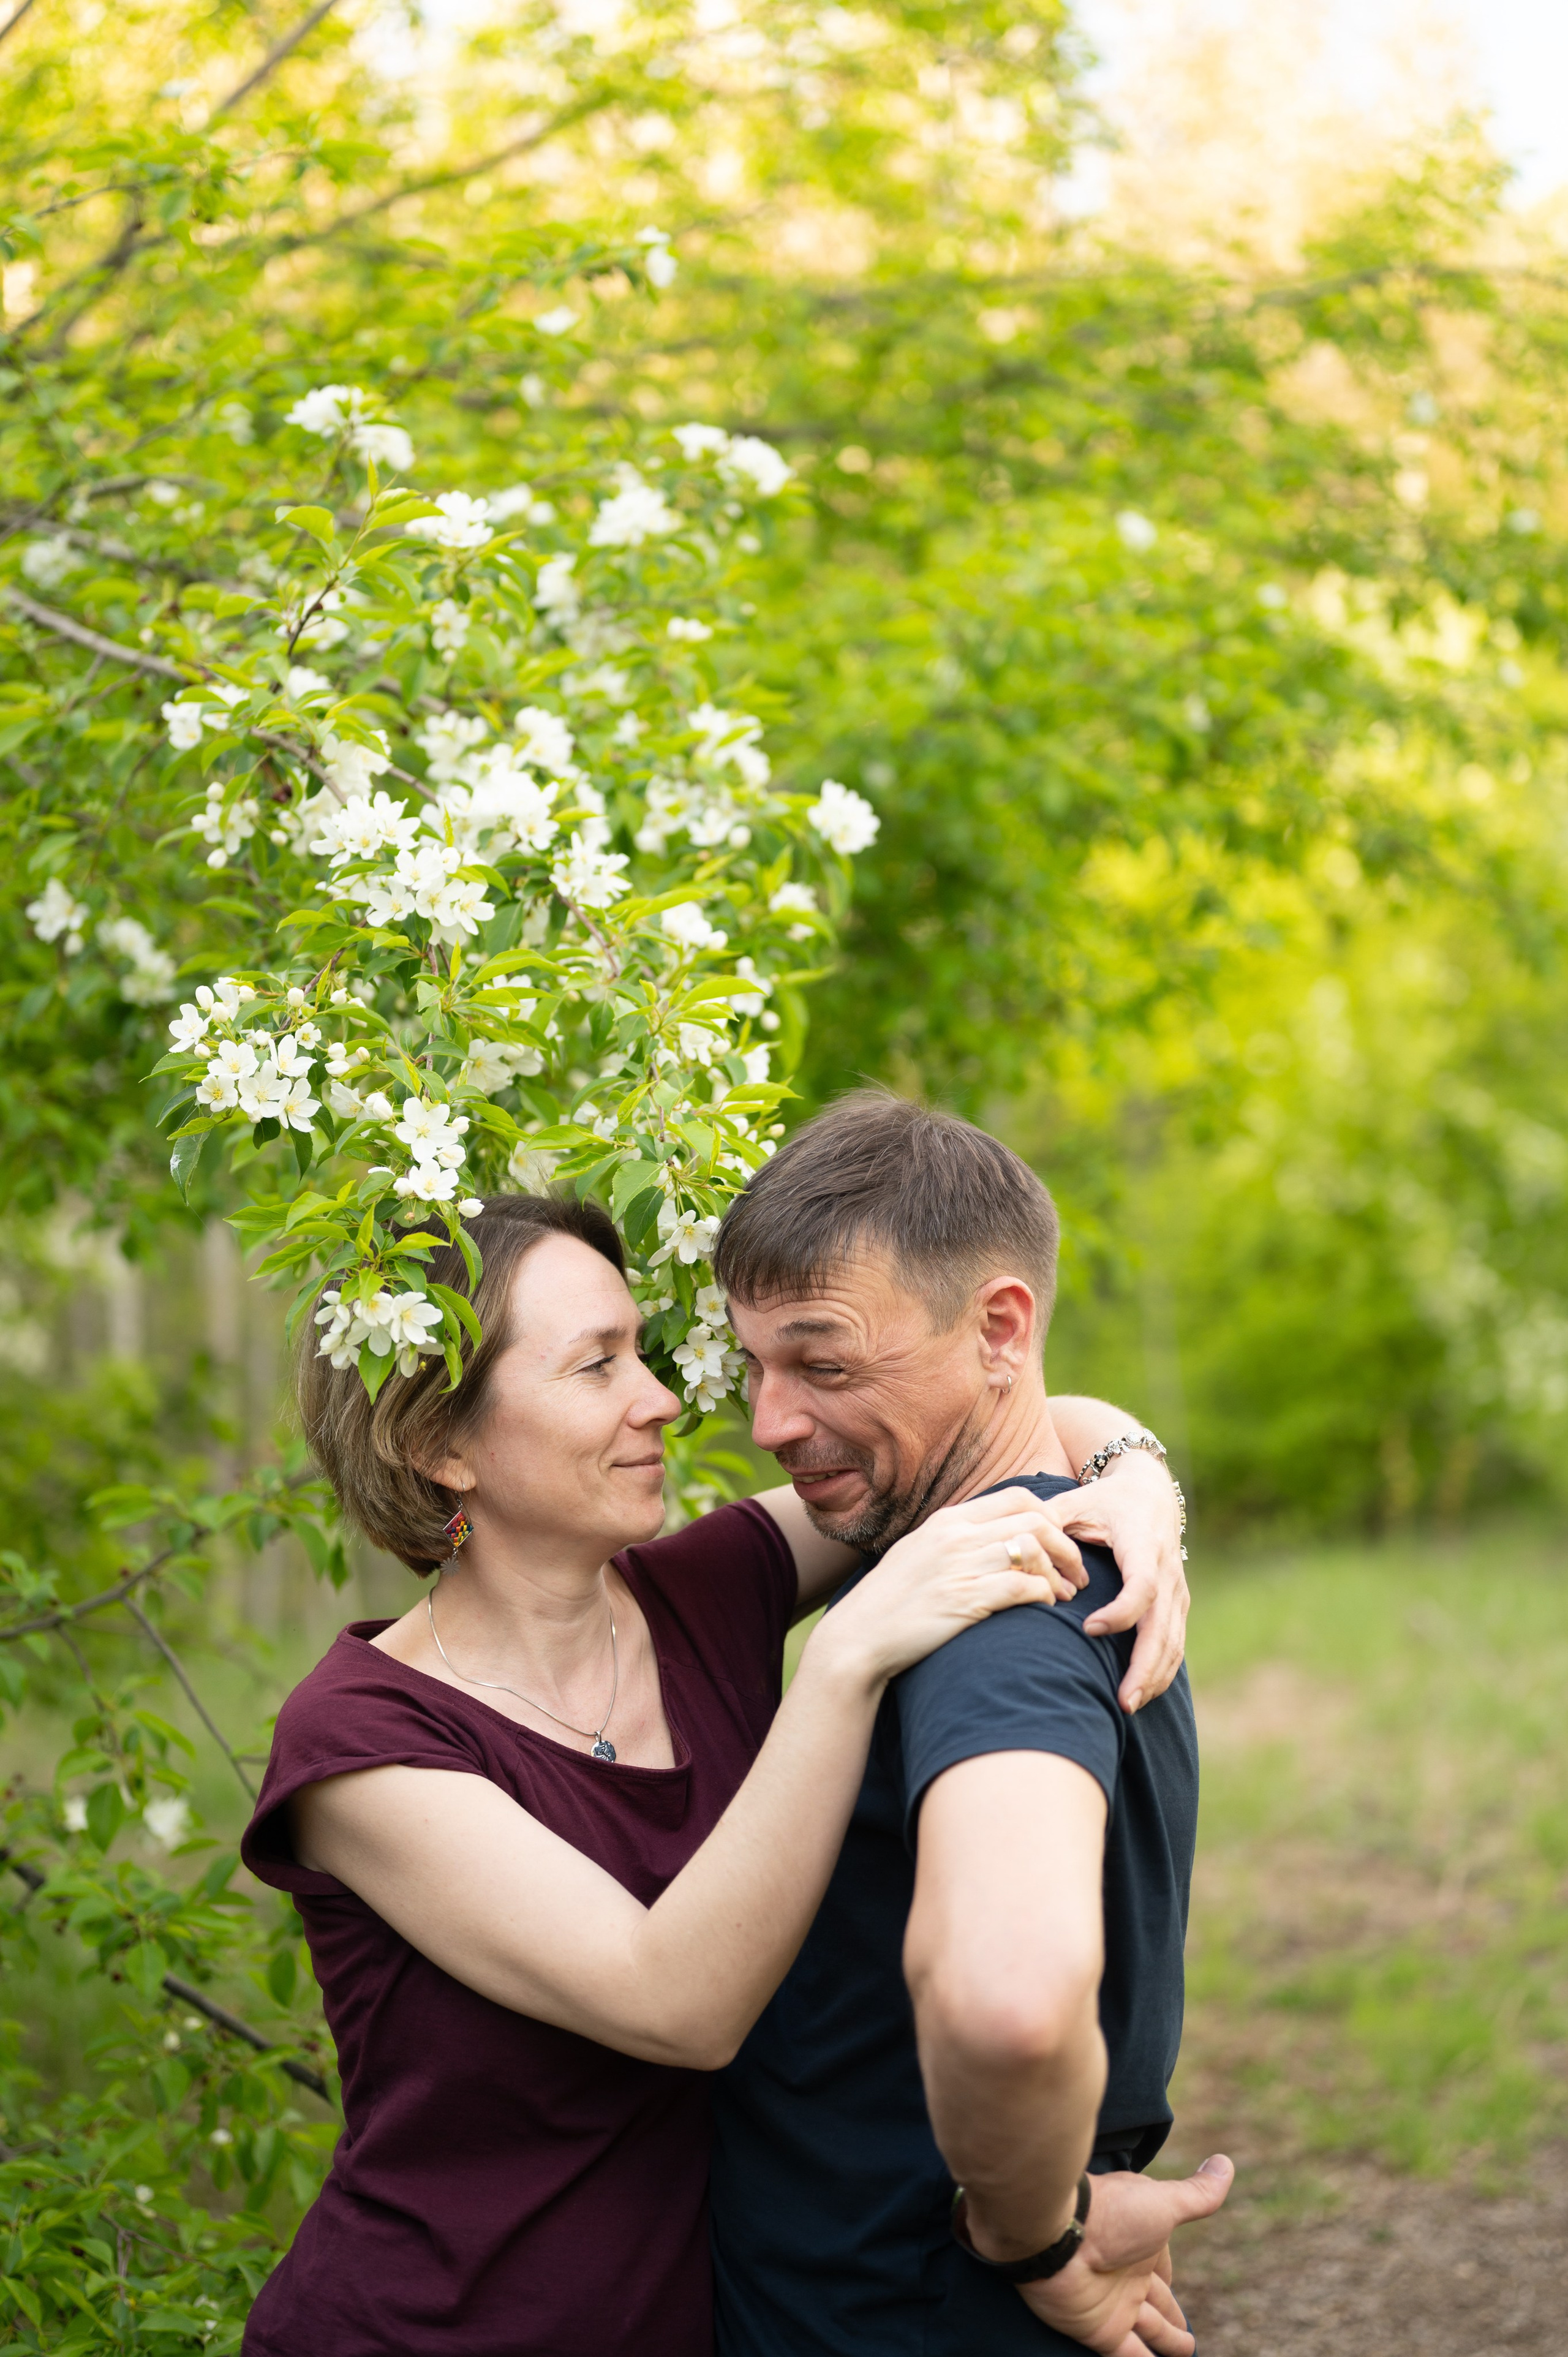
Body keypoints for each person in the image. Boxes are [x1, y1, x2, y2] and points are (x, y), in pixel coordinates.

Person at [239, 1190, 1183, 2357]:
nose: (663, 1400)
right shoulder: (360, 1741)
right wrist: (842, 1657)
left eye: (642, 1350)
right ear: (441, 1445)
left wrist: (1138, 1485)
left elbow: (977, 1431)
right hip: (435, 2328)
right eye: (597, 1366)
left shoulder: (698, 1593)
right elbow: (673, 2003)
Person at [709, 1091, 1232, 2357]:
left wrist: (1029, 2234)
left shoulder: (990, 1621)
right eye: (756, 1367)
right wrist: (1136, 1465)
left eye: (823, 1363)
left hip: (901, 2311)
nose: (769, 1422)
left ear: (1000, 1327)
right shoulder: (1039, 1536)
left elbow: (1009, 1997)